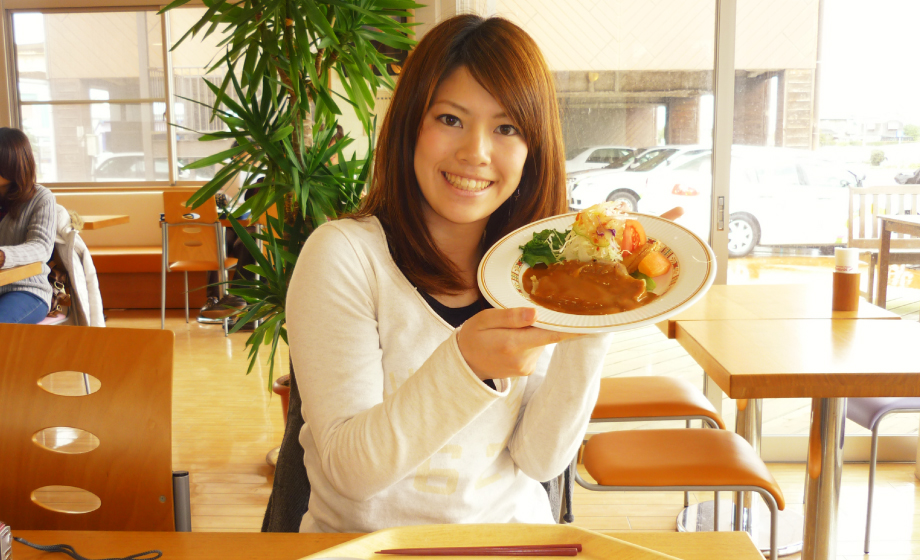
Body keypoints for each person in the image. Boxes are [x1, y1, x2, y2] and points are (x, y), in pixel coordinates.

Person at [285, 15, 622, 533]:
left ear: (533, 150)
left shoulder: (536, 271)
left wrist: (594, 320)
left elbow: (539, 460)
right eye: (450, 119)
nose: (475, 152)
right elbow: (349, 471)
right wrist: (467, 364)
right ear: (409, 124)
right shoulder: (345, 257)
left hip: (510, 542)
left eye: (506, 128)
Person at [0, 128, 56, 324]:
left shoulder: (42, 198)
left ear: (14, 163)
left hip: (25, 289)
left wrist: (3, 256)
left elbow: (41, 247)